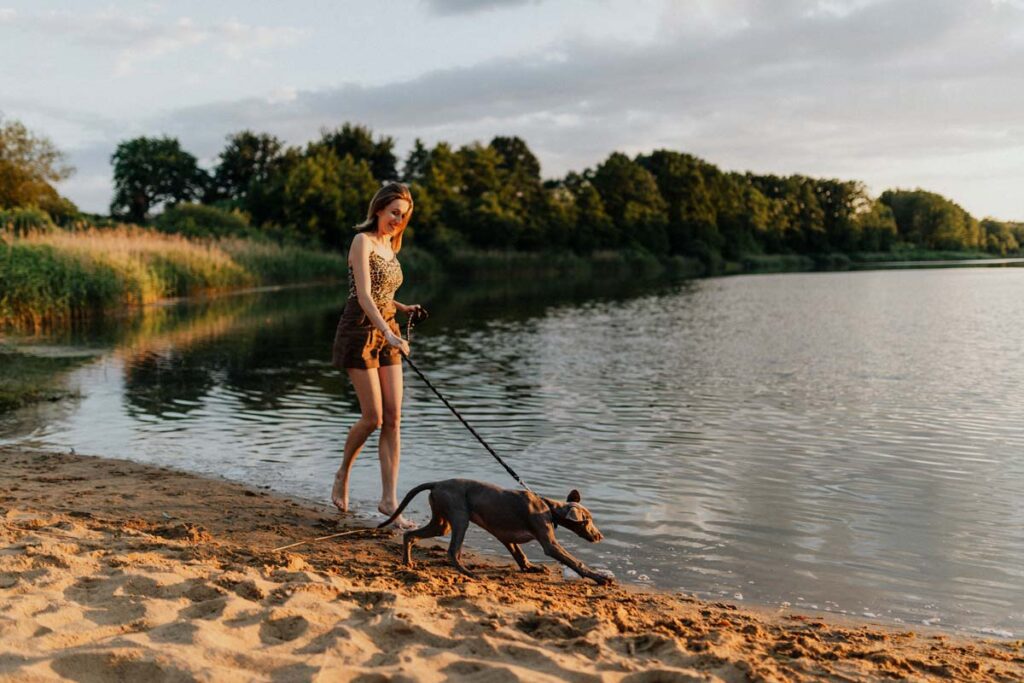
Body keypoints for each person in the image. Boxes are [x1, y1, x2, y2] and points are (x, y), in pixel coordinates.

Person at [331, 182, 424, 529]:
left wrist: (402, 307)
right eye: (394, 213)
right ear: (379, 209)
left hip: (388, 328)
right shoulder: (363, 241)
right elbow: (364, 296)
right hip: (360, 330)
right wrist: (386, 331)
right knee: (373, 418)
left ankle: (389, 500)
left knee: (394, 417)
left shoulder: (389, 245)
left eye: (403, 216)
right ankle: (343, 473)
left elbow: (384, 294)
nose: (398, 220)